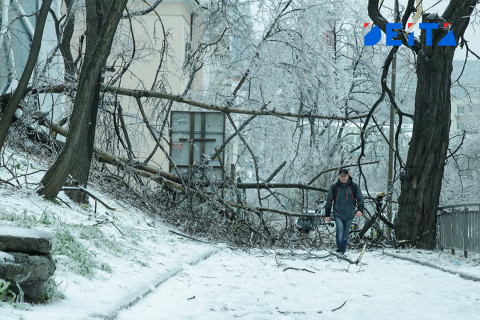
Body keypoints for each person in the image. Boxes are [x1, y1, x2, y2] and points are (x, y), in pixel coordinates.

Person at [324, 168, 364, 254]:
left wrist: (360, 210)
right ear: (339, 176)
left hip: (350, 214)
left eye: (345, 176)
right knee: (340, 230)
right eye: (341, 176)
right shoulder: (334, 187)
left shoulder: (354, 187)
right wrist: (327, 214)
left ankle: (342, 249)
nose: (343, 178)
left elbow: (360, 199)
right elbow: (329, 201)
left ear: (348, 175)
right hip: (338, 214)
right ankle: (341, 249)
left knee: (346, 233)